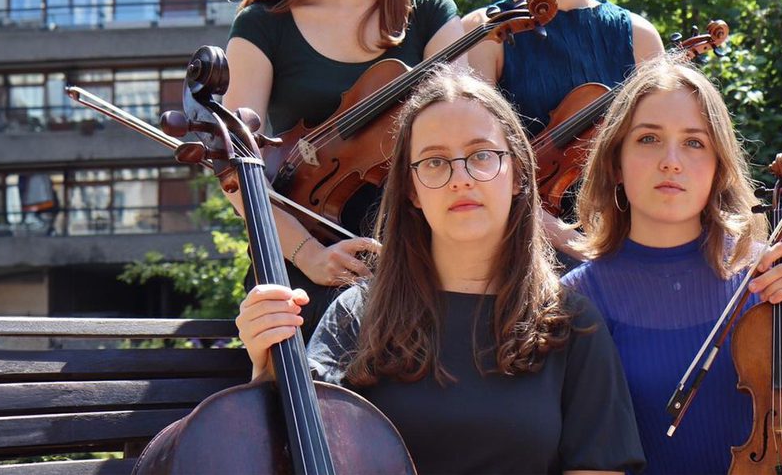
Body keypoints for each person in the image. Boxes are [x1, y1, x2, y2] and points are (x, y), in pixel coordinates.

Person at [236, 67, 645, 475]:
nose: (460, 178)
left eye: (482, 155)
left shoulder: (572, 324)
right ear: (411, 190)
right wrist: (266, 368)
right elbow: (295, 453)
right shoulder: (357, 314)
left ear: (519, 173)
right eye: (434, 162)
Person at [562, 54, 782, 474]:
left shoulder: (766, 278)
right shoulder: (580, 299)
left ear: (717, 167)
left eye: (694, 142)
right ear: (615, 162)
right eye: (648, 139)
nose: (672, 160)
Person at [222, 0, 465, 333]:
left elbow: (465, 131)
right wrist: (310, 255)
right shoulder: (264, 24)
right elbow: (235, 171)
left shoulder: (432, 16)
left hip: (417, 265)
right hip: (298, 273)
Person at [462, 0, 665, 256]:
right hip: (519, 247)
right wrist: (569, 241)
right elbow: (477, 163)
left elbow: (662, 153)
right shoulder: (488, 32)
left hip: (629, 242)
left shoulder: (639, 36)